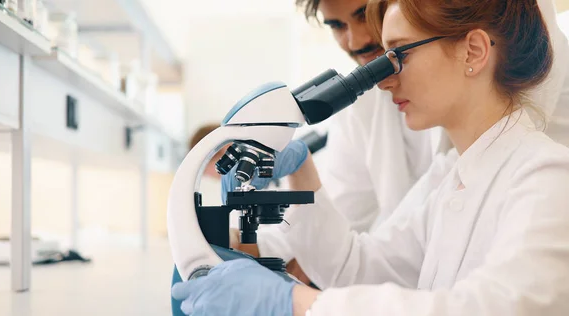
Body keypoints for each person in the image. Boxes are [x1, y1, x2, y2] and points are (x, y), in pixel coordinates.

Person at [172, 0, 569, 314]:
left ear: (474, 50)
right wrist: (302, 168)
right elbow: (356, 267)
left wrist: (294, 305)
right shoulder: (452, 177)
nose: (384, 79)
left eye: (400, 55)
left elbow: (503, 308)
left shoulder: (547, 175)